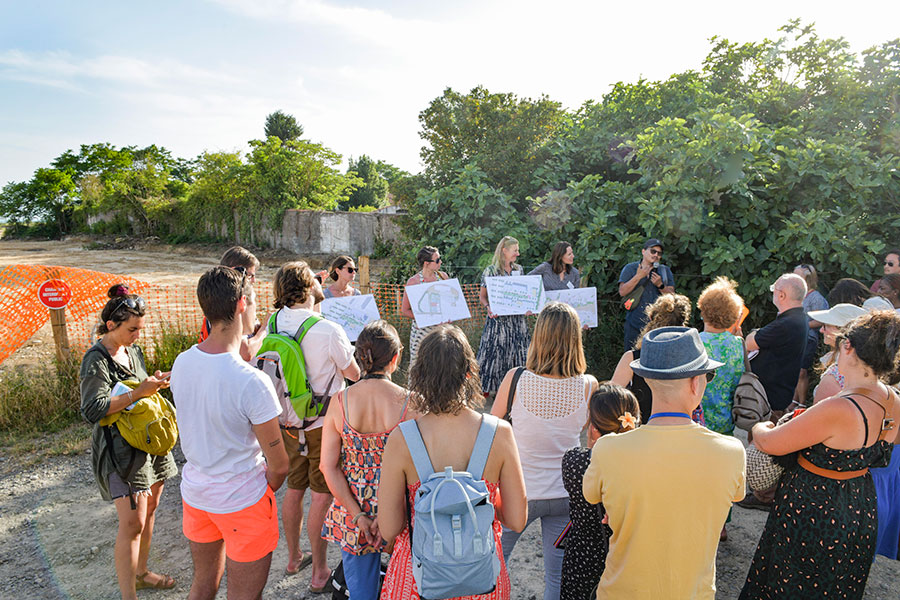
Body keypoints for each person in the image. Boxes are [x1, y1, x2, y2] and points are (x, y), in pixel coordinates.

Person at [739, 311, 900, 598]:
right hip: (859, 505)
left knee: (790, 584)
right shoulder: (892, 400)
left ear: (847, 346)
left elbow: (772, 443)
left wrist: (761, 426)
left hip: (816, 509)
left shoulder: (839, 408)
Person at [583, 327, 746, 599]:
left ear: (646, 379)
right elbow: (735, 494)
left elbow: (591, 494)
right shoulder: (731, 451)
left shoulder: (608, 448)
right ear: (696, 383)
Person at [378, 325, 528, 600]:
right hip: (481, 579)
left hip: (417, 578)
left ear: (419, 376)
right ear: (469, 373)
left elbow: (388, 528)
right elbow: (517, 520)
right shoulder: (499, 433)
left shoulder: (402, 438)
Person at [171, 267, 289, 600]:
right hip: (243, 500)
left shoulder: (182, 362)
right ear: (241, 304)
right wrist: (259, 491)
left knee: (202, 585)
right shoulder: (251, 381)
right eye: (253, 304)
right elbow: (279, 465)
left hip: (196, 494)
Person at [489, 301, 598, 600]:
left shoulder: (516, 379)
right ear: (576, 339)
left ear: (538, 337)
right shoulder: (589, 386)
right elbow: (591, 440)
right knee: (556, 580)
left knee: (491, 568)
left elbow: (489, 428)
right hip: (567, 495)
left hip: (518, 492)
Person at [80, 284, 178, 600]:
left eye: (140, 329)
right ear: (111, 325)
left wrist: (154, 384)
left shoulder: (132, 350)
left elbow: (136, 391)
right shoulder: (95, 359)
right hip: (119, 452)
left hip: (149, 444)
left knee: (149, 512)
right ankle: (129, 595)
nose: (138, 335)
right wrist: (139, 392)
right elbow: (92, 409)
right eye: (132, 329)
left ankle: (141, 573)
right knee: (132, 523)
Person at [271, 261, 361, 592]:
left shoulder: (274, 322)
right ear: (311, 287)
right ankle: (319, 572)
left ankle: (295, 556)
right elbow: (354, 374)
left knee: (294, 489)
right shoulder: (328, 330)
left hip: (287, 422)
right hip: (323, 425)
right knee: (322, 496)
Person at [320, 321, 417, 600]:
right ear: (395, 358)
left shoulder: (339, 402)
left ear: (359, 357)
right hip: (401, 511)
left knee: (361, 592)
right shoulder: (411, 403)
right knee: (408, 586)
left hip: (355, 514)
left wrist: (360, 515)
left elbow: (328, 466)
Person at [560, 383, 639, 600]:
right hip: (624, 557)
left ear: (594, 428)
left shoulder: (575, 461)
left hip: (583, 556)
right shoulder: (642, 465)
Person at [610, 293, 693, 423]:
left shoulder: (632, 358)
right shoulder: (691, 359)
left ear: (651, 318)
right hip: (679, 429)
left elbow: (610, 396)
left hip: (642, 431)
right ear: (683, 324)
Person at [745, 273, 809, 419]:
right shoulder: (798, 318)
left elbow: (749, 342)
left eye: (774, 289)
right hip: (778, 392)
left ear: (781, 295)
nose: (772, 292)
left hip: (770, 397)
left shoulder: (786, 324)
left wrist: (755, 333)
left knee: (760, 438)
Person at [477, 236, 531, 396]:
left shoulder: (519, 270)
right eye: (515, 250)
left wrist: (528, 307)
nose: (518, 254)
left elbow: (524, 294)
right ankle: (492, 390)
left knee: (518, 352)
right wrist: (488, 307)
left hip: (517, 321)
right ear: (504, 251)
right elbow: (482, 296)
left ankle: (516, 390)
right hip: (498, 322)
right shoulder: (490, 271)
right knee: (496, 354)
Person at [697, 277, 745, 435]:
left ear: (703, 310)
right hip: (725, 421)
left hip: (696, 420)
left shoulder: (694, 342)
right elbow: (738, 382)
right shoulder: (738, 344)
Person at [617, 237, 675, 351]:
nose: (656, 255)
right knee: (632, 358)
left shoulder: (664, 271)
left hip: (658, 325)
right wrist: (639, 276)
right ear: (643, 251)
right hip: (634, 323)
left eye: (659, 253)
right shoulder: (631, 268)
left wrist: (660, 285)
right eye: (653, 251)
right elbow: (622, 292)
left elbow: (672, 296)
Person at [400, 245, 449, 366]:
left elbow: (449, 303)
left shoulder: (443, 277)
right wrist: (427, 318)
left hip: (441, 329)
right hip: (421, 331)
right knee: (418, 365)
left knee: (440, 364)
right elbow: (405, 310)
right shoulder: (414, 282)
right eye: (437, 260)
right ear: (426, 263)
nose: (440, 262)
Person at [809, 304, 868, 403]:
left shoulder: (837, 373)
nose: (821, 330)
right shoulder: (870, 365)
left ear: (843, 331)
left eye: (827, 325)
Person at [793, 264, 829, 405]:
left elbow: (822, 319)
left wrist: (803, 325)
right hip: (795, 337)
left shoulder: (816, 298)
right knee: (795, 370)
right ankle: (793, 400)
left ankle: (801, 403)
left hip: (808, 339)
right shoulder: (797, 295)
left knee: (802, 371)